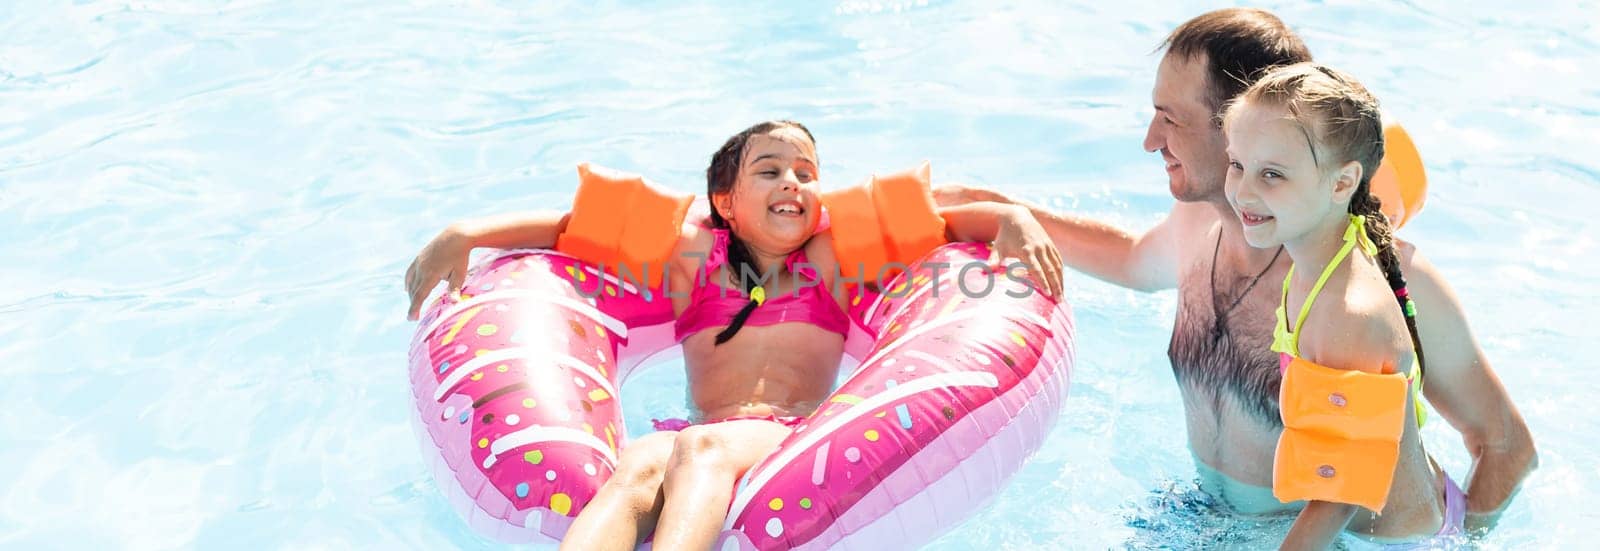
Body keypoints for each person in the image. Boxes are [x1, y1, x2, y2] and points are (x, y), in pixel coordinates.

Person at [935, 8, 1534, 532]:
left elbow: (1507, 447)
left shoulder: (1376, 282)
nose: (1150, 141)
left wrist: (1462, 542)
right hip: (1212, 522)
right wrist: (1004, 211)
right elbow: (1129, 259)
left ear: (1242, 124)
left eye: (1170, 119)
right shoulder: (1199, 225)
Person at [404, 120, 1063, 550]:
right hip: (698, 430)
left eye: (806, 173)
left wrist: (1010, 217)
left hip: (790, 432)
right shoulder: (689, 254)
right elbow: (566, 231)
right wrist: (465, 234)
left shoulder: (834, 255)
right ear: (726, 200)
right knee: (638, 466)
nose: (793, 183)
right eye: (770, 170)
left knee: (704, 447)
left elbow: (943, 226)